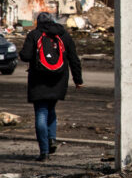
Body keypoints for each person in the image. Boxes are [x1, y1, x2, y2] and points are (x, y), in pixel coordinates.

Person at [18, 12, 83, 162]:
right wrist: (78, 80)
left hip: (38, 79)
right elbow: (74, 58)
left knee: (41, 111)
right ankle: (52, 138)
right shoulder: (63, 35)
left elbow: (25, 56)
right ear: (53, 21)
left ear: (38, 22)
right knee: (51, 108)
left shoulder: (34, 35)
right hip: (58, 79)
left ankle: (44, 152)